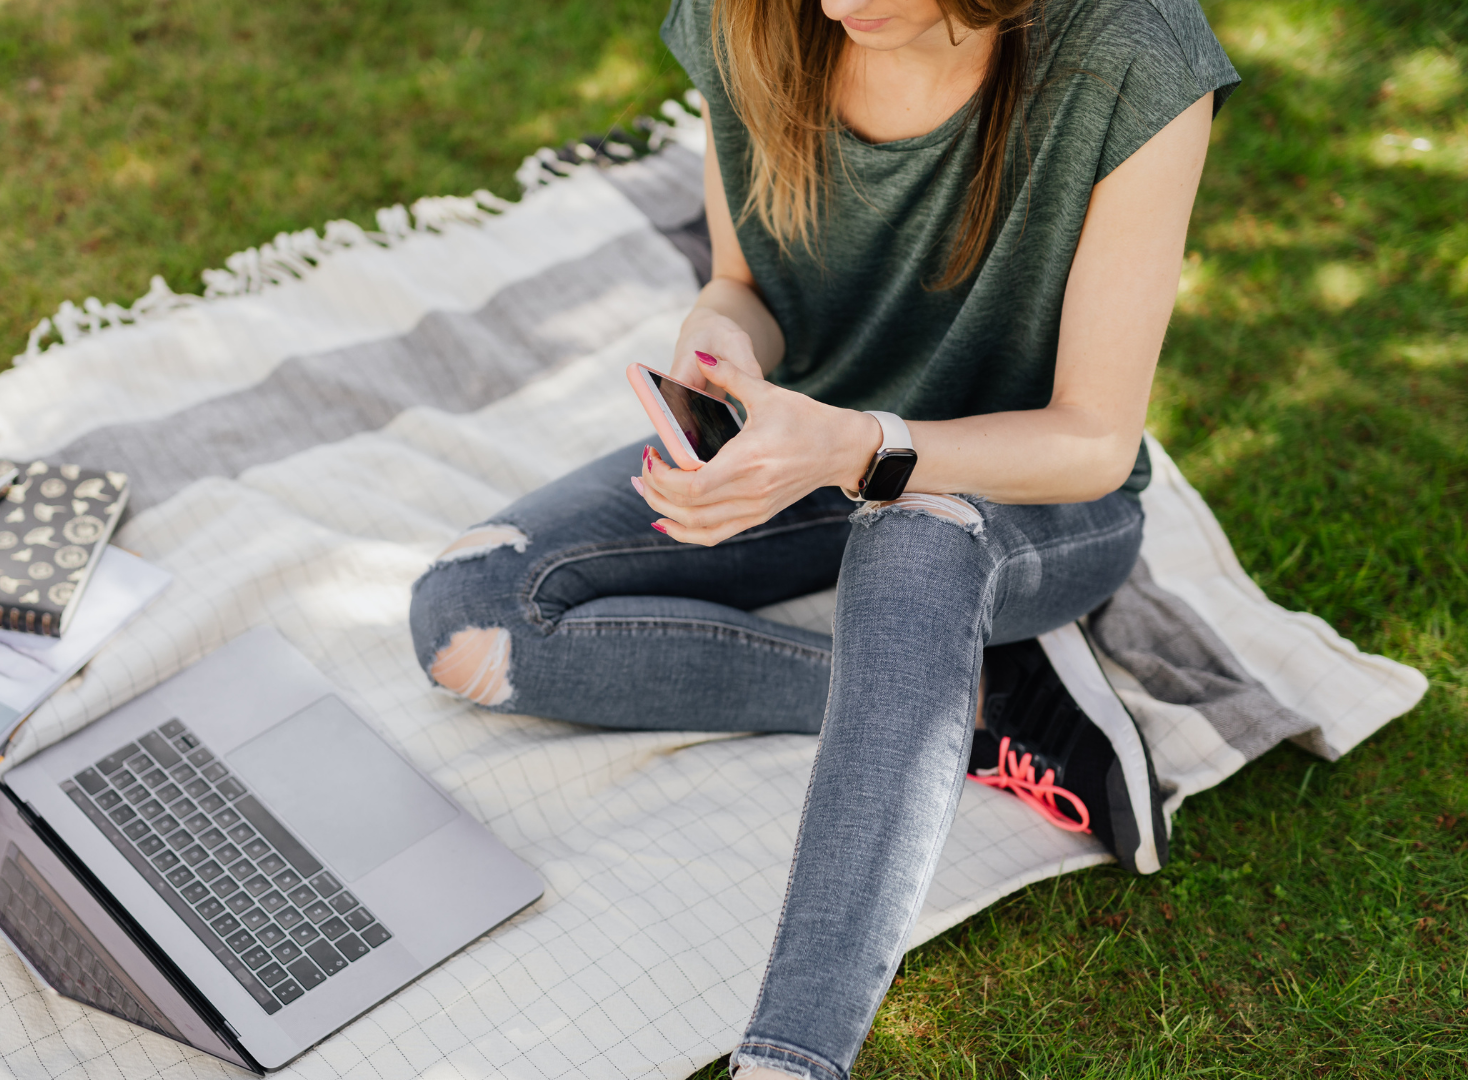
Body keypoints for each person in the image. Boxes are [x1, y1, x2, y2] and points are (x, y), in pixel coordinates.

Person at [410, 0, 1238, 1075]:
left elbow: (1089, 440)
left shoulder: (1131, 49)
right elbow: (743, 287)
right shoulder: (747, 17)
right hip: (807, 441)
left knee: (913, 534)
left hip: (1029, 494)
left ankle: (791, 1057)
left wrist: (857, 448)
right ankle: (980, 709)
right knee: (466, 613)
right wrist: (718, 348)